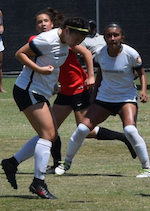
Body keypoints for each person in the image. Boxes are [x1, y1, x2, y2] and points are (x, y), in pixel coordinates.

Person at [21, 9, 136, 174]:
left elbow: (87, 53)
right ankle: (56, 164)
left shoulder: (66, 41)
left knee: (85, 130)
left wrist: (90, 76)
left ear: (52, 24)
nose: (43, 24)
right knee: (52, 128)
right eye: (39, 22)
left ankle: (123, 137)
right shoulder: (41, 41)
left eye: (46, 21)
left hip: (78, 88)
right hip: (65, 90)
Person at [0, 15, 91, 200]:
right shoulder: (47, 40)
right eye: (77, 39)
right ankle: (38, 182)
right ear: (66, 31)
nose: (78, 44)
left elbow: (53, 63)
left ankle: (12, 163)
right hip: (27, 90)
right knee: (49, 135)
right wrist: (40, 71)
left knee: (49, 134)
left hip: (40, 91)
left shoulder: (66, 43)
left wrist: (53, 83)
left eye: (81, 41)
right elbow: (20, 54)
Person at [58, 23, 150, 178]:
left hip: (126, 98)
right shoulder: (100, 53)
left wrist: (143, 91)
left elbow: (141, 74)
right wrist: (94, 96)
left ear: (122, 37)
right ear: (105, 38)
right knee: (82, 129)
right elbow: (101, 74)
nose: (112, 38)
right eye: (108, 35)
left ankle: (147, 168)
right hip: (104, 98)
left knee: (130, 130)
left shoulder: (131, 54)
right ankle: (66, 163)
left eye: (116, 35)